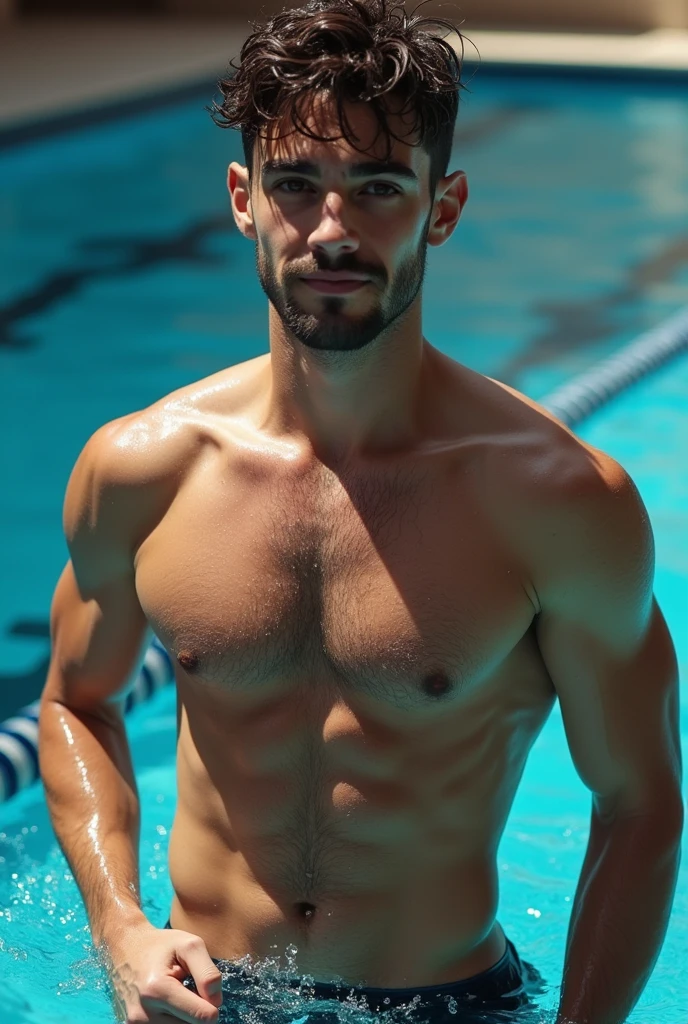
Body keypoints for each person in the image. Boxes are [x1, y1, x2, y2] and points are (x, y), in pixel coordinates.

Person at [38, 1, 683, 1022]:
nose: (331, 230)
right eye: (297, 185)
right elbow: (76, 702)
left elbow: (641, 802)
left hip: (446, 1002)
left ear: (443, 206)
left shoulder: (556, 500)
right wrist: (121, 928)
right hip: (201, 1001)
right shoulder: (140, 469)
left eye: (378, 188)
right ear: (244, 198)